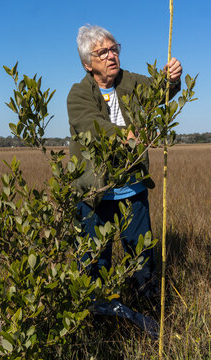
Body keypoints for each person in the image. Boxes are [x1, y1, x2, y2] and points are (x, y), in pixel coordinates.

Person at [67, 25, 182, 299]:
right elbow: (92, 126)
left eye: (113, 49)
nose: (111, 56)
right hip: (94, 196)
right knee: (95, 266)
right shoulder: (78, 94)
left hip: (133, 190)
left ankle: (147, 319)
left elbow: (160, 92)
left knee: (143, 261)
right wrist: (127, 135)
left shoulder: (129, 81)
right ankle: (98, 328)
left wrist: (172, 79)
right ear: (87, 64)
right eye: (102, 52)